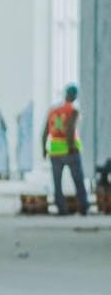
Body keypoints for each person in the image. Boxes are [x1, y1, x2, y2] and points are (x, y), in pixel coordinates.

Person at [42, 84, 89, 215]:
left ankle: (61, 208)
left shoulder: (53, 111)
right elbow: (70, 129)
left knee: (57, 182)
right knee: (78, 180)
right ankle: (84, 207)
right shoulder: (73, 110)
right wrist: (70, 146)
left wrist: (44, 150)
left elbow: (45, 131)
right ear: (75, 96)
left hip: (55, 151)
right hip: (70, 152)